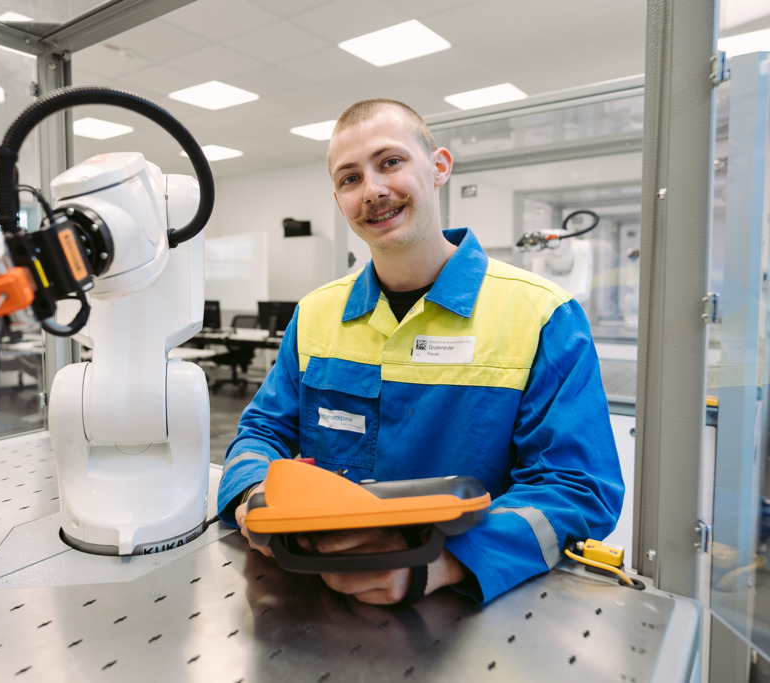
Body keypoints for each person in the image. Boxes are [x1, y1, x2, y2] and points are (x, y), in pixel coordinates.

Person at [216, 98, 624, 607]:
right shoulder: (316, 314)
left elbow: (576, 487)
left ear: (439, 167)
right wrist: (256, 498)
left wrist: (443, 562)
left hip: (468, 604)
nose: (373, 191)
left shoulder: (542, 315)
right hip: (314, 589)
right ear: (340, 201)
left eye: (390, 162)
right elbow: (263, 431)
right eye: (350, 178)